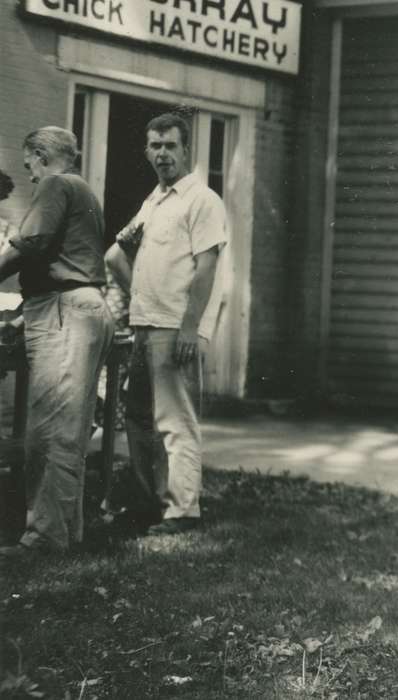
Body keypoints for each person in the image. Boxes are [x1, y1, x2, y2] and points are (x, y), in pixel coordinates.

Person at [104, 112, 225, 536]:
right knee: (137, 417)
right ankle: (148, 502)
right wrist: (138, 295)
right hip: (143, 323)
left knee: (175, 419)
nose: (162, 154)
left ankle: (183, 510)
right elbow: (115, 255)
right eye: (155, 146)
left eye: (170, 145)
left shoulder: (201, 200)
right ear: (146, 150)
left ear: (186, 149)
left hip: (175, 327)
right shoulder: (153, 201)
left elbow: (206, 267)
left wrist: (191, 327)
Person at [0, 128, 113, 557]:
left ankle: (44, 539)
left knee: (49, 432)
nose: (28, 173)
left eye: (28, 161)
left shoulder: (55, 184)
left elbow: (30, 244)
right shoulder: (81, 189)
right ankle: (65, 531)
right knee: (69, 431)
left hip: (65, 311)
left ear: (42, 155)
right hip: (83, 309)